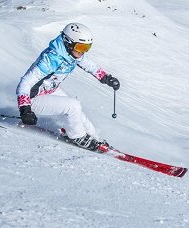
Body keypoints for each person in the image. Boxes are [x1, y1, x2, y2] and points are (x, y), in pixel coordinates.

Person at [16, 23, 121, 151]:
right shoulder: (50, 59)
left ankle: (96, 139)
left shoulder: (72, 54)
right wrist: (25, 109)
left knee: (80, 116)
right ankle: (77, 137)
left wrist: (106, 78)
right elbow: (25, 83)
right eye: (81, 47)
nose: (83, 51)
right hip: (33, 99)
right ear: (68, 42)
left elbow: (90, 66)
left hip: (50, 91)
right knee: (73, 106)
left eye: (86, 47)